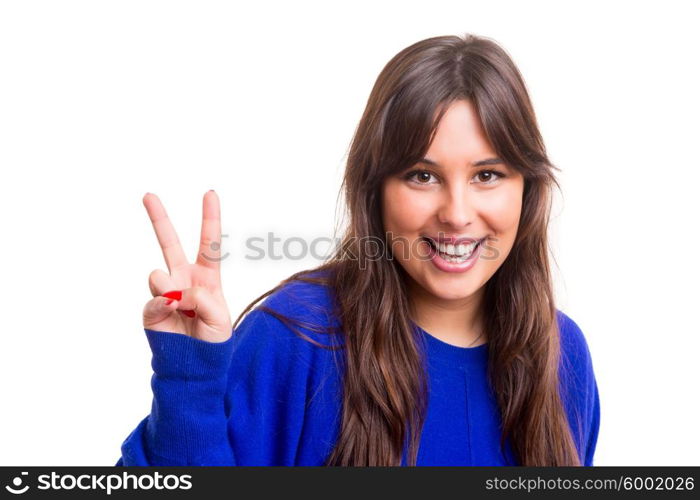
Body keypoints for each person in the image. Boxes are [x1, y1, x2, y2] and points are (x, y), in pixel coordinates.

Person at [116, 33, 600, 466]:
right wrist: (190, 380)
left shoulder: (563, 356)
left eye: (487, 175)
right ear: (376, 191)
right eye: (422, 175)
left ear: (527, 191)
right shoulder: (298, 339)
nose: (456, 212)